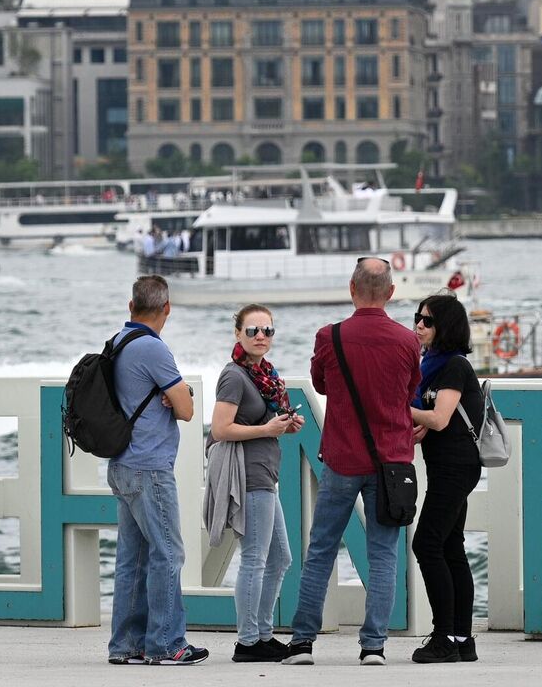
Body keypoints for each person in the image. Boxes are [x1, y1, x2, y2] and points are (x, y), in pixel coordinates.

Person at [284, 257, 420, 667]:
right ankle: (373, 646)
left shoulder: (330, 336)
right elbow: (410, 391)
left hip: (342, 457)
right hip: (391, 462)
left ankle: (303, 642)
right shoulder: (407, 340)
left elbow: (321, 383)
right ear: (391, 293)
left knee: (321, 549)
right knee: (384, 554)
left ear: (351, 288)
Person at [105, 275, 207, 666]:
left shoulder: (118, 343)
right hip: (150, 466)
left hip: (122, 464)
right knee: (168, 553)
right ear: (167, 308)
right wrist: (180, 393)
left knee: (133, 558)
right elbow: (185, 410)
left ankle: (126, 645)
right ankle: (166, 644)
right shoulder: (152, 348)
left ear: (131, 306)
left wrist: (173, 392)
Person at [209, 304, 305, 663]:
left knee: (280, 558)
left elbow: (262, 421)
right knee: (255, 559)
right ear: (238, 335)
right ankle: (248, 641)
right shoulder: (234, 376)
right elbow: (220, 429)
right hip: (247, 477)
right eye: (252, 331)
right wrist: (266, 429)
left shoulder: (266, 375)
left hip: (266, 473)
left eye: (267, 330)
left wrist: (284, 423)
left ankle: (262, 634)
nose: (261, 336)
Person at [407, 292, 485, 664]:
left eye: (428, 321)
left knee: (427, 544)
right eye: (417, 318)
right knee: (451, 548)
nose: (419, 325)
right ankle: (462, 640)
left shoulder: (454, 365)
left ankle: (443, 638)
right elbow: (433, 420)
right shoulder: (430, 365)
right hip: (445, 465)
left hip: (457, 466)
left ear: (447, 327)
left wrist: (397, 409)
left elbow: (439, 418)